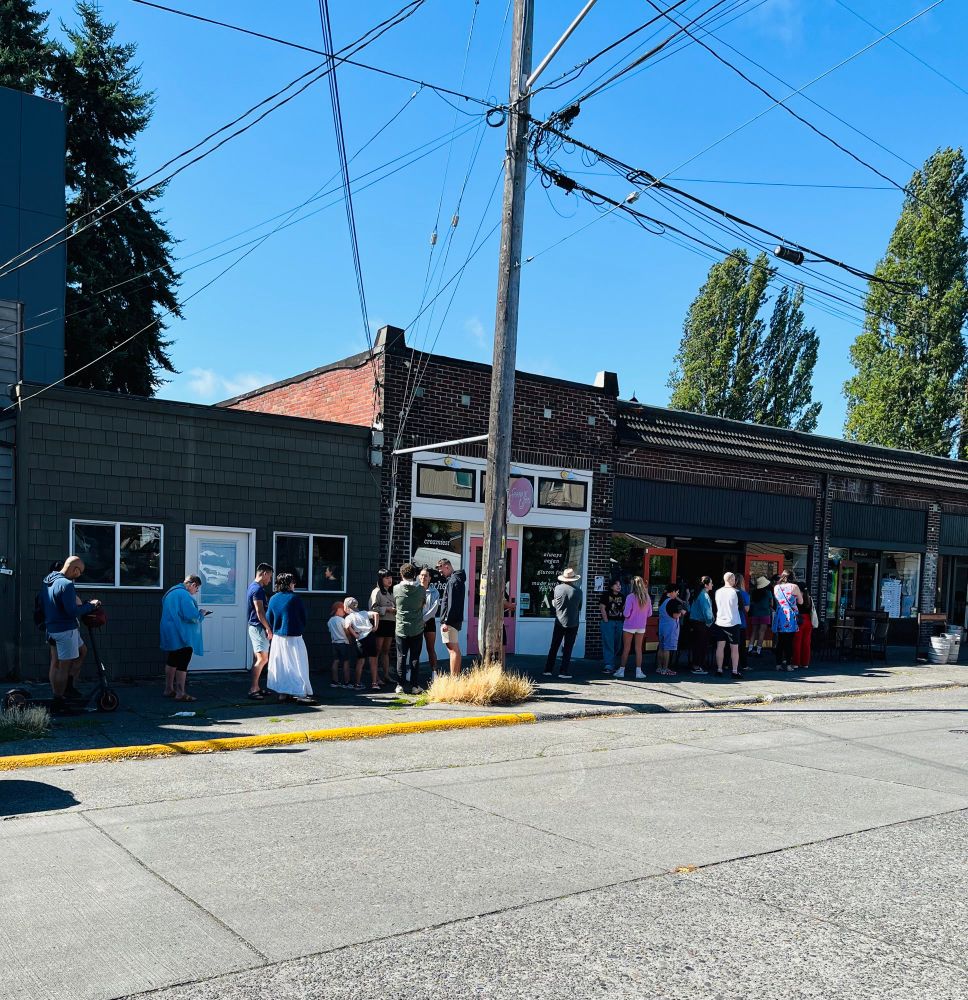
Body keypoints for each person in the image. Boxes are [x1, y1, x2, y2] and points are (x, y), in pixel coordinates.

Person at [41, 556, 101, 712]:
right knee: (63, 666)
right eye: (79, 571)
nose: (79, 575)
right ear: (74, 569)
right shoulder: (66, 585)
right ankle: (59, 700)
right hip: (65, 630)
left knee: (76, 653)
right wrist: (90, 606)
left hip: (52, 629)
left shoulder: (49, 579)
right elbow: (72, 611)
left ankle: (64, 689)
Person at [266, 572, 314, 703]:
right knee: (298, 664)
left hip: (278, 637)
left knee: (281, 666)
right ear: (288, 584)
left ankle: (282, 693)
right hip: (294, 636)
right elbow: (303, 617)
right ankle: (299, 691)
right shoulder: (295, 598)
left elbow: (269, 617)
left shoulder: (273, 599)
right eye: (293, 582)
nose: (294, 585)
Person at [160, 575, 209, 702]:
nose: (196, 592)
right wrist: (201, 614)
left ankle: (168, 689)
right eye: (196, 589)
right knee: (183, 662)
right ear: (193, 585)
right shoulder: (185, 595)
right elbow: (191, 616)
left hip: (169, 631)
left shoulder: (170, 592)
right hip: (182, 633)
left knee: (172, 659)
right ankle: (180, 692)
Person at [543, 567, 583, 680]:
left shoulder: (557, 588)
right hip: (573, 622)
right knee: (568, 648)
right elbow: (580, 607)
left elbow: (555, 603)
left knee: (554, 646)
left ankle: (548, 670)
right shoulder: (578, 592)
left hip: (559, 621)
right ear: (573, 579)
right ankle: (563, 671)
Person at [394, 562, 426, 694]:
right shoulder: (421, 590)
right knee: (415, 658)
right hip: (417, 628)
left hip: (401, 628)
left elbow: (395, 604)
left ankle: (399, 685)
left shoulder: (396, 589)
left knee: (401, 657)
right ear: (415, 575)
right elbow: (423, 605)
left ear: (401, 574)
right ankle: (414, 686)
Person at [613, 576, 652, 680]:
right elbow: (650, 613)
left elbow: (626, 614)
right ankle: (638, 671)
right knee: (638, 649)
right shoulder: (647, 597)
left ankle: (621, 670)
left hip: (629, 625)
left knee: (626, 649)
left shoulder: (630, 597)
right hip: (641, 626)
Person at [246, 563, 274, 700]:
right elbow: (259, 611)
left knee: (258, 658)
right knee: (263, 658)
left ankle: (257, 687)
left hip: (255, 626)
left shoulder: (253, 587)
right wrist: (268, 628)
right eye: (269, 576)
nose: (270, 580)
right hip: (258, 627)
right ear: (264, 573)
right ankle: (253, 689)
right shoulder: (257, 590)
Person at [436, 558, 466, 676]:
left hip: (450, 622)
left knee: (453, 650)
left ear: (446, 566)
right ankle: (456, 678)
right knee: (455, 650)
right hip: (454, 620)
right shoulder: (456, 579)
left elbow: (452, 604)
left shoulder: (453, 581)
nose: (440, 572)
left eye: (441, 569)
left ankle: (454, 680)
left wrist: (446, 622)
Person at [343, 596, 381, 690]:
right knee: (373, 661)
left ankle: (357, 683)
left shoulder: (349, 617)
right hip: (370, 636)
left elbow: (347, 626)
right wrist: (375, 627)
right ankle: (374, 683)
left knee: (360, 662)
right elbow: (376, 613)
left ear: (347, 607)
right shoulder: (364, 613)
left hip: (360, 639)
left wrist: (355, 635)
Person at [713, 572, 743, 679]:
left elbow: (715, 606)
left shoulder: (717, 591)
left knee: (720, 646)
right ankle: (734, 671)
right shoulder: (736, 592)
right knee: (734, 648)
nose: (735, 581)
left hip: (720, 621)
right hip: (733, 622)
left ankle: (719, 669)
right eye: (734, 579)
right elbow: (741, 607)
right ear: (731, 579)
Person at [369, 569, 396, 685]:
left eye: (390, 577)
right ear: (381, 579)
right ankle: (376, 678)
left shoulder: (391, 592)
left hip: (390, 622)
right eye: (386, 578)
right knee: (377, 651)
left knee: (386, 650)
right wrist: (387, 609)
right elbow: (372, 609)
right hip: (380, 623)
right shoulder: (377, 592)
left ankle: (386, 675)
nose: (389, 580)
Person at [773, 571, 802, 670]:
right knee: (789, 641)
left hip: (780, 614)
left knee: (780, 641)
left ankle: (778, 664)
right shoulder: (794, 587)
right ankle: (789, 665)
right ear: (792, 577)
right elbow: (801, 601)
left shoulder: (776, 587)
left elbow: (776, 601)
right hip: (790, 615)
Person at [598, 578, 625, 673]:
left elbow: (624, 609)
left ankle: (611, 662)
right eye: (616, 584)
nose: (619, 586)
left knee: (617, 644)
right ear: (611, 586)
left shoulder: (622, 596)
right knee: (608, 643)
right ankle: (609, 665)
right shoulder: (606, 595)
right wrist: (606, 620)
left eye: (619, 584)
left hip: (619, 622)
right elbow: (602, 607)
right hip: (608, 622)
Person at [688, 576, 713, 675]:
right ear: (706, 585)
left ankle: (696, 665)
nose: (712, 584)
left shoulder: (697, 593)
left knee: (696, 645)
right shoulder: (704, 595)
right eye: (711, 583)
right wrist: (710, 622)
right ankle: (697, 666)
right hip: (701, 623)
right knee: (701, 645)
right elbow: (707, 612)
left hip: (694, 622)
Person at [656, 583, 682, 677]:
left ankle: (659, 667)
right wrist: (681, 613)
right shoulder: (671, 601)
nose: (677, 594)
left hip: (662, 626)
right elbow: (675, 615)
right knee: (667, 649)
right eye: (677, 592)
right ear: (673, 592)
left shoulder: (662, 600)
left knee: (661, 647)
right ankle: (665, 668)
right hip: (670, 628)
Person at [418, 567, 440, 673]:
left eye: (426, 575)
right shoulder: (415, 590)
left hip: (429, 622)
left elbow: (434, 609)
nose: (423, 577)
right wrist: (419, 620)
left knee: (430, 648)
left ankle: (434, 672)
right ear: (418, 577)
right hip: (416, 622)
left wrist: (423, 619)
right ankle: (413, 673)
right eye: (421, 575)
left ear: (430, 578)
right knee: (415, 649)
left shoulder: (434, 592)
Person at [328, 601, 354, 688]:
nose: (344, 611)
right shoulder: (343, 620)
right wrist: (350, 640)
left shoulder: (330, 621)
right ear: (338, 609)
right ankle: (347, 682)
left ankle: (335, 682)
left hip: (334, 644)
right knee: (346, 662)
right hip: (343, 643)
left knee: (335, 661)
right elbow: (347, 632)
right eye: (343, 609)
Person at [791, 584, 816, 670]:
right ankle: (805, 663)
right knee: (806, 643)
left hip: (799, 620)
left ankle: (796, 663)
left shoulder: (797, 598)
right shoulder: (809, 598)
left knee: (797, 642)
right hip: (808, 620)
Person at [747, 575, 773, 657]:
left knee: (754, 631)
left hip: (755, 613)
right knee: (761, 632)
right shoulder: (768, 592)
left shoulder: (753, 592)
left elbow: (751, 602)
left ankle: (750, 649)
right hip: (765, 614)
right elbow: (771, 604)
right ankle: (758, 651)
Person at [735, 574, 751, 672]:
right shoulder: (744, 594)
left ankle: (725, 664)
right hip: (740, 621)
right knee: (741, 645)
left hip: (727, 622)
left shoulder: (727, 592)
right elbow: (747, 609)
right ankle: (743, 665)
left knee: (728, 645)